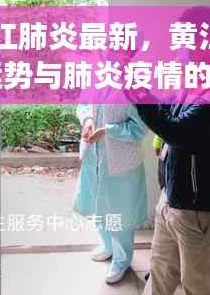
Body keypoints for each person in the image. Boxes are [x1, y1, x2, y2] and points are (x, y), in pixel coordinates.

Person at [134, 7, 210, 295]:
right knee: (161, 269)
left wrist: (136, 89)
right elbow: (168, 113)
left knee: (198, 282)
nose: (178, 49)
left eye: (184, 41)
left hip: (202, 206)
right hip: (174, 194)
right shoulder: (195, 76)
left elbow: (179, 132)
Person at [73, 86, 149, 284]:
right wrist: (88, 121)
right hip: (95, 156)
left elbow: (140, 128)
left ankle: (122, 259)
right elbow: (84, 103)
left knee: (121, 213)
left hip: (121, 161)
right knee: (100, 206)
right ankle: (108, 245)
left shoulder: (135, 88)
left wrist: (107, 131)